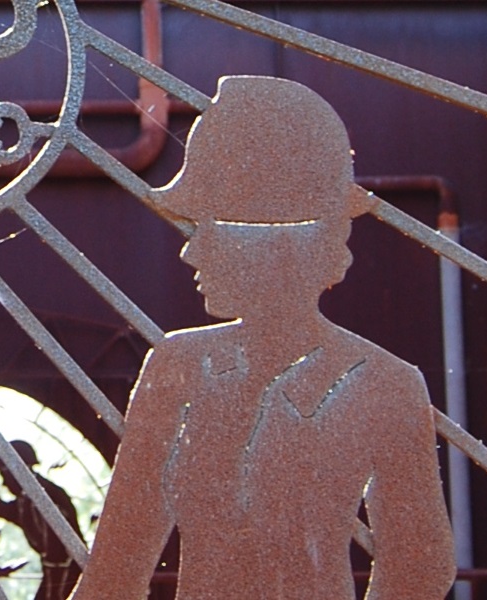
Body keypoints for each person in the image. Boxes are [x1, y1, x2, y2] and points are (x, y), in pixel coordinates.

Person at [69, 76, 455, 600]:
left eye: (209, 228)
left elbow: (420, 565)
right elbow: (117, 564)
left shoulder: (385, 385)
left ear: (279, 241)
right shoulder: (178, 365)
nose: (191, 253)